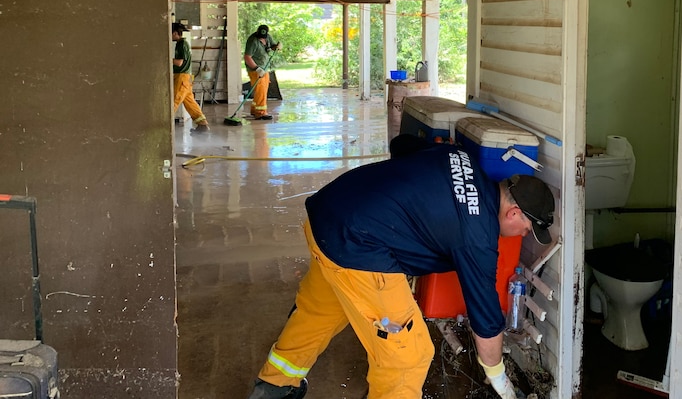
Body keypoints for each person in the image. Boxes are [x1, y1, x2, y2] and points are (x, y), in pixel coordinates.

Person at [247, 142, 555, 399]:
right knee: (409, 356)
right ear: (514, 212)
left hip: (327, 217)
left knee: (319, 312)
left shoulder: (460, 157)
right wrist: (498, 376)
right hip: (359, 248)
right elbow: (486, 318)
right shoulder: (479, 233)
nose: (524, 235)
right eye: (527, 228)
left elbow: (404, 144)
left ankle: (274, 387)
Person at [171, 22, 209, 133]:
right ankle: (202, 124)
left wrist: (166, 59)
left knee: (174, 101)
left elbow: (179, 63)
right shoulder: (181, 43)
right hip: (185, 77)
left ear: (175, 33)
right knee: (190, 102)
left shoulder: (182, 44)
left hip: (181, 77)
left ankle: (162, 126)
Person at [244, 24, 281, 120]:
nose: (262, 38)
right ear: (257, 32)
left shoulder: (267, 37)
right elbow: (247, 57)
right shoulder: (252, 41)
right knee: (260, 91)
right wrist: (257, 68)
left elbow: (271, 46)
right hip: (255, 70)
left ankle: (255, 110)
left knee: (262, 90)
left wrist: (276, 46)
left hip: (265, 68)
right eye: (260, 36)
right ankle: (260, 112)